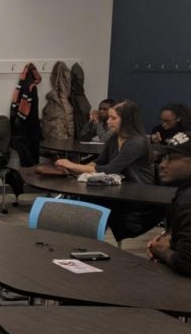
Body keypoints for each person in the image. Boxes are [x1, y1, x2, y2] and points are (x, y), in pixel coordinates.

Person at [56, 99, 162, 241]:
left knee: (94, 202)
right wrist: (79, 171)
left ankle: (86, 240)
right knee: (84, 196)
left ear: (127, 121)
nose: (108, 121)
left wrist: (72, 165)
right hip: (117, 189)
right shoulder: (114, 138)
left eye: (114, 118)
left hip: (136, 193)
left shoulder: (136, 142)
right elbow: (100, 162)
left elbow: (110, 169)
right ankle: (79, 238)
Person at [147, 131, 191, 278]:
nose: (162, 164)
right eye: (163, 158)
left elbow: (189, 263)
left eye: (171, 158)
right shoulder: (188, 192)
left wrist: (162, 252)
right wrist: (168, 238)